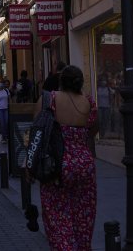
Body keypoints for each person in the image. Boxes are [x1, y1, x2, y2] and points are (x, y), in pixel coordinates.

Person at [35, 65, 98, 250]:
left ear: (61, 81)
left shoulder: (48, 99)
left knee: (57, 217)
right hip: (84, 164)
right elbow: (92, 131)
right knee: (84, 217)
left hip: (56, 165)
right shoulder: (89, 102)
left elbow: (36, 133)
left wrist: (30, 165)